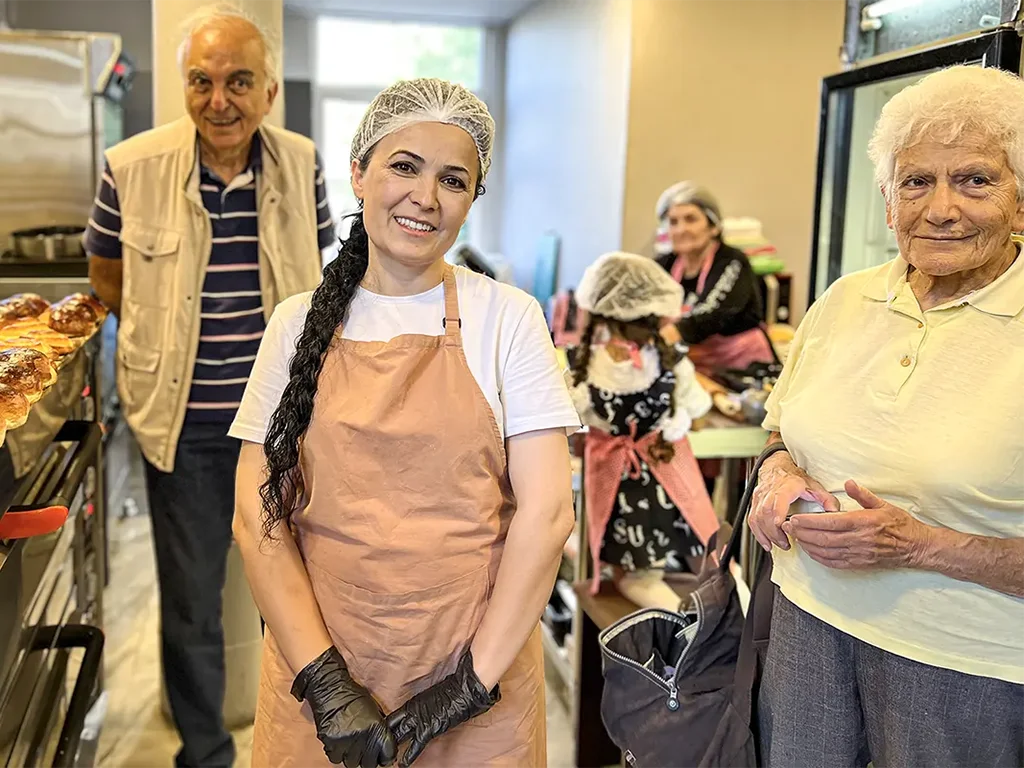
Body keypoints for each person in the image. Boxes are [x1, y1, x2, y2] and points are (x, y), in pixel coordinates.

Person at [229, 78, 581, 767]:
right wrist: (327, 686)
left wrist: (466, 687)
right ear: (359, 174)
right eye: (404, 166)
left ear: (472, 199)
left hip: (477, 676)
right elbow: (256, 517)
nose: (426, 197)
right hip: (317, 670)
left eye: (453, 180)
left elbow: (546, 517)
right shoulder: (294, 326)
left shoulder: (508, 319)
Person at [750, 65, 1024, 768]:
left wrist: (920, 546)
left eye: (975, 180)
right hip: (806, 620)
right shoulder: (847, 299)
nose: (940, 208)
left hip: (964, 663)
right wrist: (776, 477)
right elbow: (781, 430)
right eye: (916, 182)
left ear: (1021, 203)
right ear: (887, 200)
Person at [85, 7, 335, 767]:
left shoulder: (302, 163)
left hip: (281, 425)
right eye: (201, 81)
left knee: (291, 596)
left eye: (239, 82)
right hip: (183, 425)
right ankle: (205, 755)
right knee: (191, 603)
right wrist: (161, 337)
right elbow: (106, 276)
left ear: (268, 93)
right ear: (184, 86)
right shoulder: (130, 165)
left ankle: (291, 747)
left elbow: (319, 273)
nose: (219, 100)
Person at [567, 252, 717, 610]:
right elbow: (698, 409)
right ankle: (722, 620)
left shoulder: (582, 367)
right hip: (668, 479)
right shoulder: (671, 361)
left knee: (638, 575)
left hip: (623, 486)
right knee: (707, 557)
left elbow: (569, 422)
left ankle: (685, 624)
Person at [654, 182, 775, 375]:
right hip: (695, 366)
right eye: (673, 222)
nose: (681, 229)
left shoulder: (732, 261)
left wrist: (661, 340)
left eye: (691, 219)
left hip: (742, 368)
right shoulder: (664, 265)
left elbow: (712, 313)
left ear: (713, 227)